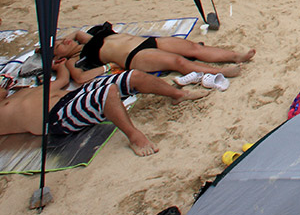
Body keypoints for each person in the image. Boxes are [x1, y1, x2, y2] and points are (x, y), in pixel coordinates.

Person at [0, 58, 209, 157]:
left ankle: (178, 94)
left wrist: (60, 66)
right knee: (107, 93)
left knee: (132, 76)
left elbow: (62, 80)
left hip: (72, 96)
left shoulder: (21, 91)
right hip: (57, 117)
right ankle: (134, 137)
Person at [53, 23, 254, 80]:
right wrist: (107, 67)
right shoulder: (78, 58)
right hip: (134, 57)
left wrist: (59, 42)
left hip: (147, 42)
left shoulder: (86, 39)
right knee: (178, 62)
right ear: (60, 56)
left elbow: (77, 33)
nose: (65, 41)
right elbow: (79, 78)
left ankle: (236, 56)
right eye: (60, 45)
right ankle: (219, 73)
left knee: (193, 48)